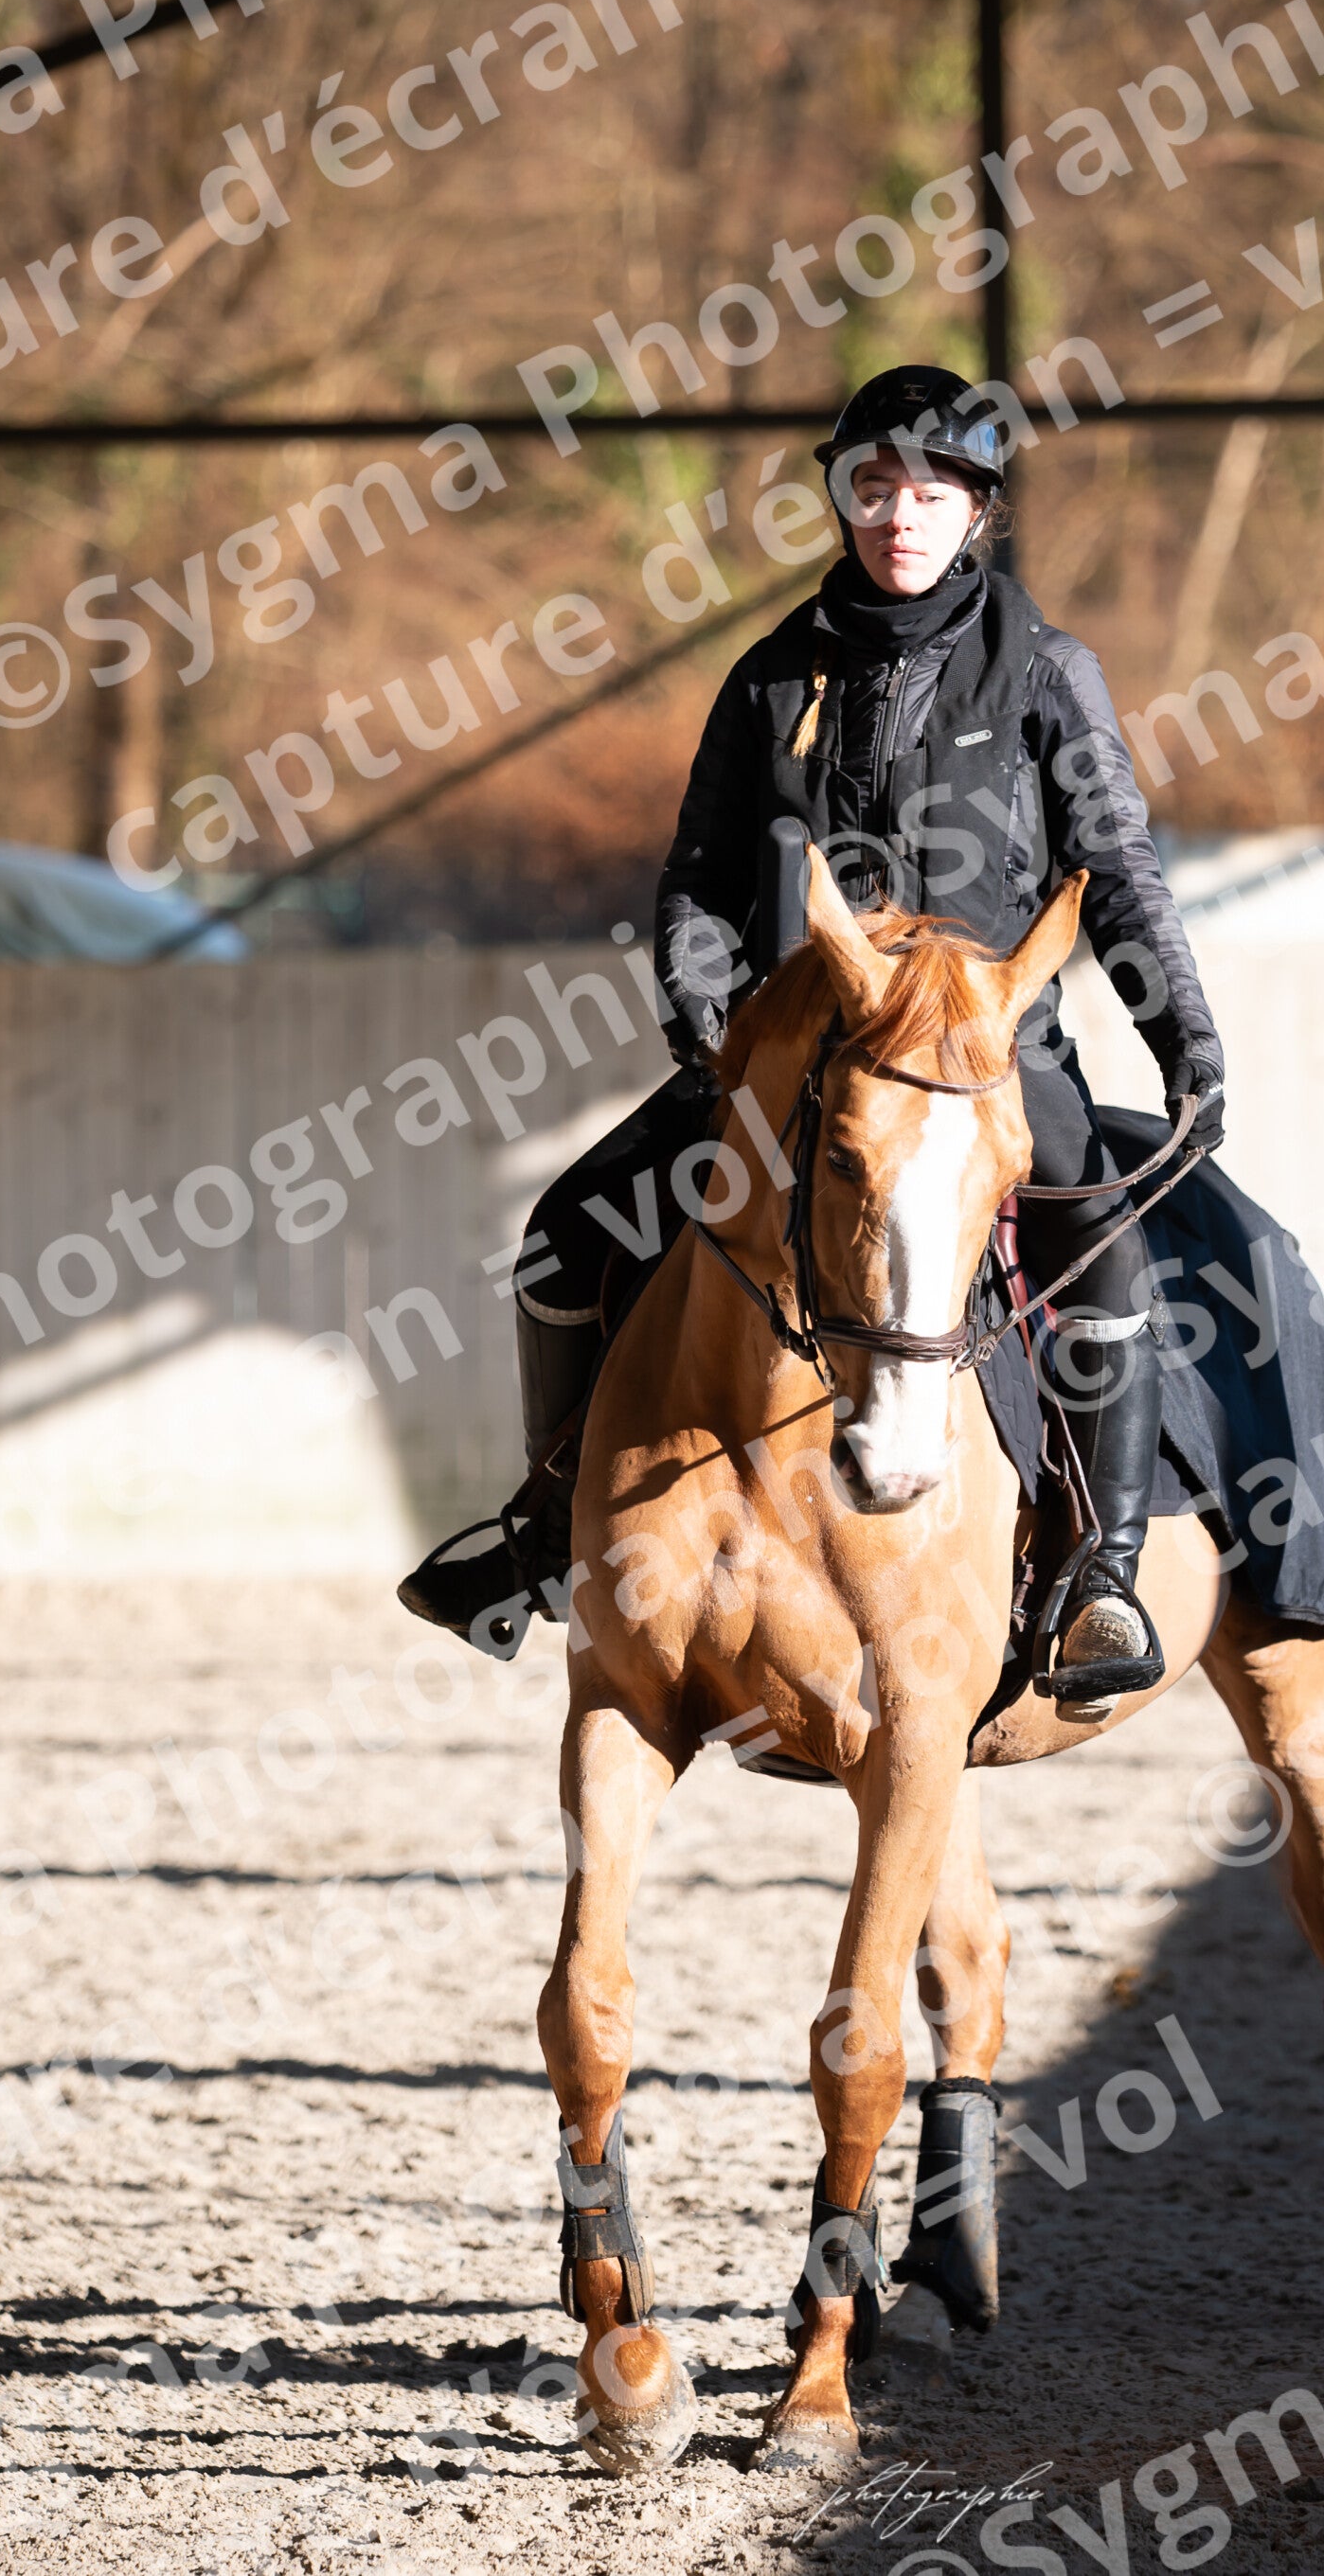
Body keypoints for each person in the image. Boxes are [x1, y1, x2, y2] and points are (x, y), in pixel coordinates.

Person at [400, 364, 1226, 1697]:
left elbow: (1118, 873)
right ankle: (549, 1523)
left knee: (1105, 1250)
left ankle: (1100, 1573)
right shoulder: (770, 675)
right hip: (789, 1059)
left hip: (977, 1059)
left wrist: (1186, 1040)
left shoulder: (1048, 673)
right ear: (843, 499)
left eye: (934, 492)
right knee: (566, 1231)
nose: (903, 514)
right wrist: (709, 1013)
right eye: (875, 486)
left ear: (978, 509)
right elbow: (698, 875)